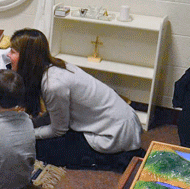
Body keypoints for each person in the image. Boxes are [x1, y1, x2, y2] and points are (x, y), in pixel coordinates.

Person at [9, 28, 145, 172]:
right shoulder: (55, 66)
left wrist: (27, 133)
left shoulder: (53, 84)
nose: (8, 54)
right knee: (38, 139)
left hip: (114, 134)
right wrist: (32, 125)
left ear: (27, 57)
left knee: (37, 148)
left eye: (12, 51)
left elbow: (58, 130)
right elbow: (54, 114)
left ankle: (111, 158)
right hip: (118, 122)